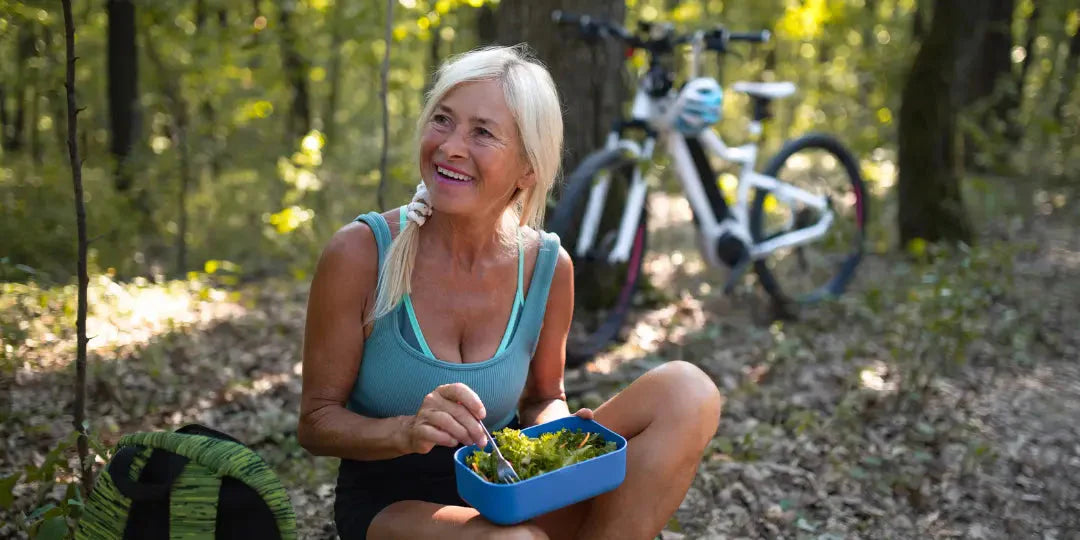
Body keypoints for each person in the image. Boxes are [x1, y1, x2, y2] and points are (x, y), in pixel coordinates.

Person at [298, 45, 723, 540]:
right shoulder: (361, 252)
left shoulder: (546, 265)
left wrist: (562, 432)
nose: (451, 146)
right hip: (395, 505)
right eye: (442, 120)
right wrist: (406, 430)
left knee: (687, 391)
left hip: (509, 487)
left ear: (528, 168)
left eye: (481, 132)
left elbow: (544, 397)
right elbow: (316, 423)